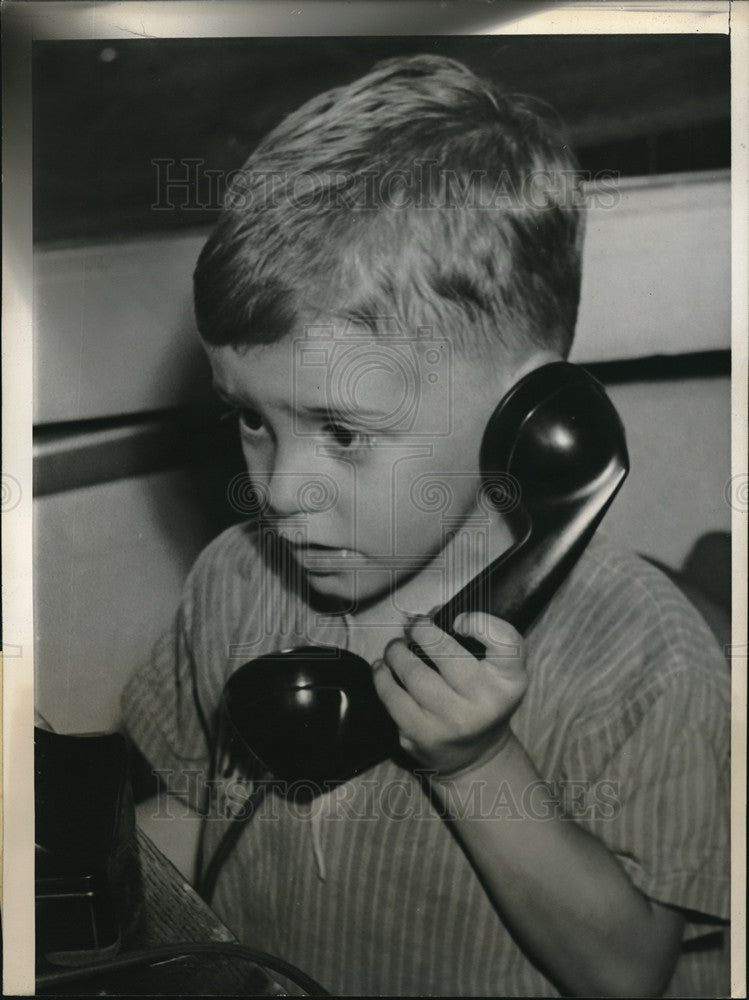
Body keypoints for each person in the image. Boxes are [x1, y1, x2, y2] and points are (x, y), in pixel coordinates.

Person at [122, 55, 730, 996]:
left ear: (528, 413)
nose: (281, 491)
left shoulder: (641, 654)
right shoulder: (232, 582)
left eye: (341, 431)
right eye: (249, 417)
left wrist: (477, 763)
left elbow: (626, 974)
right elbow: (182, 817)